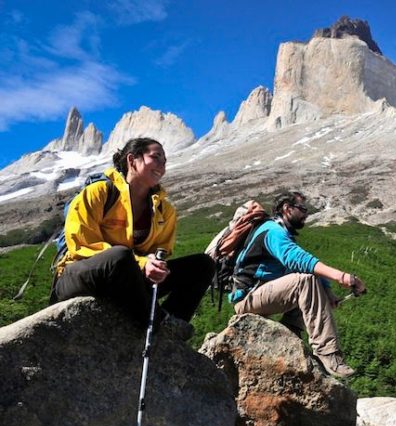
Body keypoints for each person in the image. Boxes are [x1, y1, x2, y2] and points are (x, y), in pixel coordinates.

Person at [51, 137, 214, 336]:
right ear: (132, 160)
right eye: (156, 157)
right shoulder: (99, 192)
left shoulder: (165, 210)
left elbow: (161, 251)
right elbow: (83, 246)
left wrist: (155, 264)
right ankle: (158, 322)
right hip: (79, 276)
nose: (162, 165)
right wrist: (141, 263)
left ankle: (172, 327)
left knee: (203, 265)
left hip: (129, 282)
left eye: (164, 161)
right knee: (120, 256)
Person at [230, 191, 366, 377]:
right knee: (304, 281)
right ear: (287, 208)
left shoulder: (279, 231)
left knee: (307, 278)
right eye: (302, 209)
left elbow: (306, 266)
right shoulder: (272, 231)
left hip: (259, 294)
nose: (306, 214)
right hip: (248, 298)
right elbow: (297, 260)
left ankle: (291, 336)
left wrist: (328, 293)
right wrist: (341, 277)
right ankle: (328, 353)